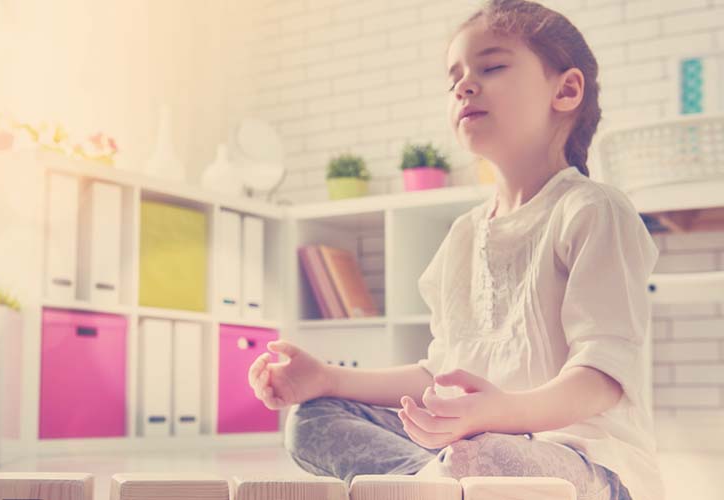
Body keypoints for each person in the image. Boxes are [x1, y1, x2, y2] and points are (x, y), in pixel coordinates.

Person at [247, 1, 665, 499]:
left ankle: (438, 483)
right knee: (311, 421)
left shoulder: (592, 210)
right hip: (470, 443)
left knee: (481, 454)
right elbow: (434, 374)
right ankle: (439, 484)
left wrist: (498, 414)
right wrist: (326, 378)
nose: (465, 86)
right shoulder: (463, 236)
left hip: (580, 463)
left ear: (566, 89)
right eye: (454, 80)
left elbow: (600, 380)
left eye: (491, 67)